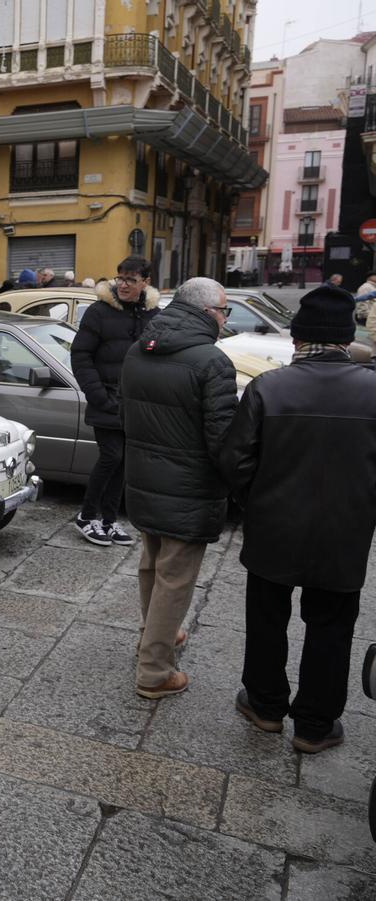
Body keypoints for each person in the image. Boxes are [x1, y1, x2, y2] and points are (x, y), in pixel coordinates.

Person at [221, 284, 376, 753]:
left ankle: (266, 707)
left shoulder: (269, 386)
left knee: (267, 618)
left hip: (274, 526)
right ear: (347, 339)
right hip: (345, 532)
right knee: (332, 626)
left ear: (297, 338)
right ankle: (314, 724)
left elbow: (234, 461)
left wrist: (257, 501)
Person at [120, 277, 238, 699]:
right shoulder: (212, 362)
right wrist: (238, 483)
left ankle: (152, 635)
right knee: (176, 577)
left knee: (152, 564)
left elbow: (125, 413)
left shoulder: (139, 349)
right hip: (189, 486)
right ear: (206, 313)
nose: (226, 319)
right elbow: (223, 438)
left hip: (144, 478)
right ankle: (154, 671)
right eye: (225, 311)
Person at [71, 255, 160, 546]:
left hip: (135, 403)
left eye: (131, 280)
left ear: (145, 283)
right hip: (107, 399)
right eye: (120, 278)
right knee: (112, 457)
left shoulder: (152, 314)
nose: (123, 284)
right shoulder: (98, 312)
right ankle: (86, 516)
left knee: (123, 463)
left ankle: (109, 520)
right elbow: (80, 355)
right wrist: (97, 394)